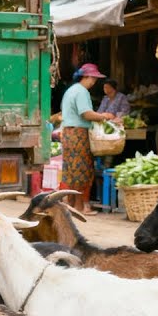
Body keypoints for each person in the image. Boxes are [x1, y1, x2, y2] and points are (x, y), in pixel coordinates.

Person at [58, 63, 114, 213]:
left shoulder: (71, 90)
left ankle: (71, 205)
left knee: (71, 170)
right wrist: (103, 116)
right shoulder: (82, 91)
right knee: (81, 170)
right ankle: (79, 206)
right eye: (93, 78)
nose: (94, 82)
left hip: (69, 133)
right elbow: (86, 113)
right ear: (86, 76)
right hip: (78, 135)